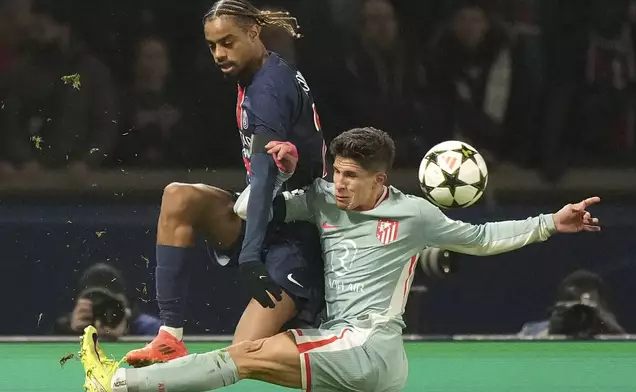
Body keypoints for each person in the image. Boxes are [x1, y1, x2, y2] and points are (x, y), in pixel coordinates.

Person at [80, 127, 601, 392]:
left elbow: (483, 236)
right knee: (249, 354)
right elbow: (244, 206)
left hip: (368, 345)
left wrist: (552, 222)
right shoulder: (324, 198)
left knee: (244, 357)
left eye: (352, 176)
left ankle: (121, 384)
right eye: (337, 171)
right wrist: (279, 174)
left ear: (381, 179)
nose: (340, 183)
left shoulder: (416, 215)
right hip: (342, 344)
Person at [125, 0, 327, 367]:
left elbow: (265, 177)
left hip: (297, 237)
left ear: (253, 32)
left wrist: (250, 255)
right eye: (212, 45)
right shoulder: (259, 72)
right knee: (179, 197)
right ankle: (169, 338)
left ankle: (325, 339)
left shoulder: (268, 91)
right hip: (265, 218)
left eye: (228, 42)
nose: (219, 53)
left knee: (240, 356)